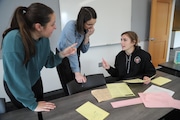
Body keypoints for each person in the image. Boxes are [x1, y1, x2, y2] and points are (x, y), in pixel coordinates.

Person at [2, 3, 77, 112]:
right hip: (16, 85)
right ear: (38, 27)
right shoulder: (13, 40)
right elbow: (17, 78)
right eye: (52, 24)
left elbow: (49, 62)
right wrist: (32, 104)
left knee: (42, 108)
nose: (55, 27)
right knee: (27, 113)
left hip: (34, 80)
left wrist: (63, 54)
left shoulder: (43, 39)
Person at [56, 6, 97, 95]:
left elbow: (84, 50)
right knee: (69, 85)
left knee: (77, 83)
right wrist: (77, 72)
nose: (91, 27)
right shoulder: (71, 26)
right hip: (64, 56)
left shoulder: (85, 29)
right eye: (89, 24)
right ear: (82, 21)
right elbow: (71, 52)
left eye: (93, 24)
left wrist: (87, 36)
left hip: (75, 54)